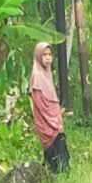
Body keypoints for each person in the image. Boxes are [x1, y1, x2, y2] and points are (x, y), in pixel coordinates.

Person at [28, 41, 68, 174]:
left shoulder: (47, 74)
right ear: (38, 56)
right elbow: (41, 107)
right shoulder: (38, 77)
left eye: (50, 54)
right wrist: (54, 123)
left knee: (61, 159)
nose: (47, 57)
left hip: (55, 124)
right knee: (56, 160)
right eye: (44, 54)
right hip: (47, 126)